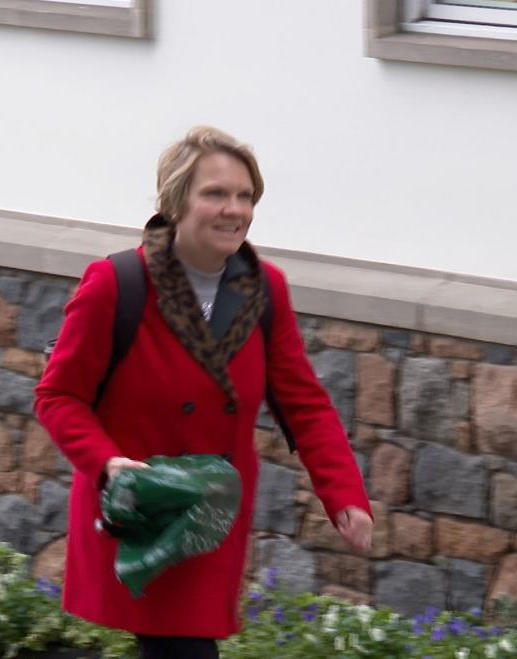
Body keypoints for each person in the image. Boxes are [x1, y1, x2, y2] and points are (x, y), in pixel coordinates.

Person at [34, 126, 373, 659]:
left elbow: (305, 404)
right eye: (215, 194)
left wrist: (344, 495)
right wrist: (107, 463)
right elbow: (58, 396)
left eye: (245, 196)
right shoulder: (116, 283)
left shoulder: (265, 289)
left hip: (209, 516)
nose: (233, 209)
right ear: (176, 201)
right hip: (145, 509)